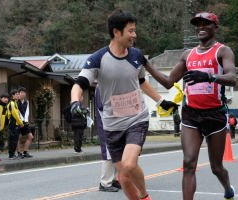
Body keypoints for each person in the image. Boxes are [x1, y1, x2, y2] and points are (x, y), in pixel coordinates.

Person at [70, 10, 177, 200]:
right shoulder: (97, 59)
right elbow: (80, 83)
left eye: (135, 31)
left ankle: (145, 196)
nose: (134, 35)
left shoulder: (136, 55)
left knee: (128, 164)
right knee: (124, 177)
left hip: (137, 118)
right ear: (116, 32)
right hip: (112, 123)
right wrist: (74, 102)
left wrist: (161, 100)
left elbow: (142, 81)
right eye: (131, 31)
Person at [143, 12, 236, 200]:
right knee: (188, 163)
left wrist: (209, 76)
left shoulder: (223, 51)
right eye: (198, 24)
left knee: (216, 168)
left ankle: (228, 190)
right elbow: (168, 82)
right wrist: (145, 64)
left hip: (215, 116)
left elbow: (232, 78)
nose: (200, 27)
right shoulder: (188, 55)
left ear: (215, 28)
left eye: (206, 24)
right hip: (191, 115)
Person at [95, 85, 121, 192]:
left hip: (113, 125)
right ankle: (105, 183)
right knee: (109, 154)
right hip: (106, 126)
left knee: (116, 153)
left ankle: (113, 179)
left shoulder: (106, 85)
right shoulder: (101, 87)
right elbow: (103, 106)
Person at [16, 87, 33, 158]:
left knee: (30, 137)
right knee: (17, 138)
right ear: (18, 93)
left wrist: (25, 121)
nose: (22, 94)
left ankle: (25, 152)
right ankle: (19, 153)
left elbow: (27, 112)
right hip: (17, 122)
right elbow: (17, 112)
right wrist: (20, 121)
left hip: (25, 122)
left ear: (25, 94)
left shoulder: (27, 102)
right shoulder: (16, 102)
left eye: (24, 92)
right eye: (21, 93)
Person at [7, 89, 24, 160]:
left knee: (14, 139)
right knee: (14, 139)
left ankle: (12, 154)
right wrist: (21, 123)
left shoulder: (15, 103)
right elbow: (15, 115)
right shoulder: (12, 103)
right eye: (16, 94)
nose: (18, 95)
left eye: (18, 94)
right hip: (13, 124)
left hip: (14, 124)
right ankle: (11, 155)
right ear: (12, 95)